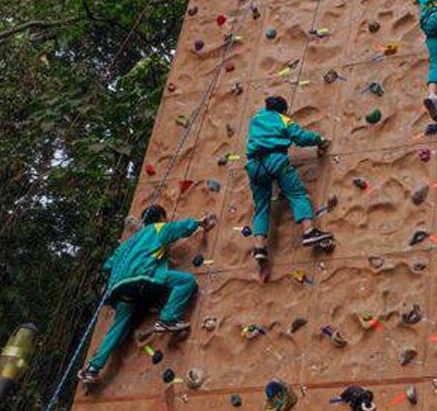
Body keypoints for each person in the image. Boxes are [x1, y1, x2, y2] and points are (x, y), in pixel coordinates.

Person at [77, 205, 215, 383]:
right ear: (161, 217)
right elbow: (179, 228)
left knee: (118, 326)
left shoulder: (127, 243)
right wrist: (198, 223)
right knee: (185, 282)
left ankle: (93, 368)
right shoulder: (157, 228)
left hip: (120, 289)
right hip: (143, 278)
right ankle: (167, 319)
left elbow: (108, 265)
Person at [245, 96, 333, 263]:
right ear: (284, 110)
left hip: (254, 166)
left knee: (261, 207)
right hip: (276, 161)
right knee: (297, 194)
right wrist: (319, 140)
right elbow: (300, 137)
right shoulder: (283, 119)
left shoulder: (257, 118)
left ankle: (259, 248)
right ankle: (309, 232)